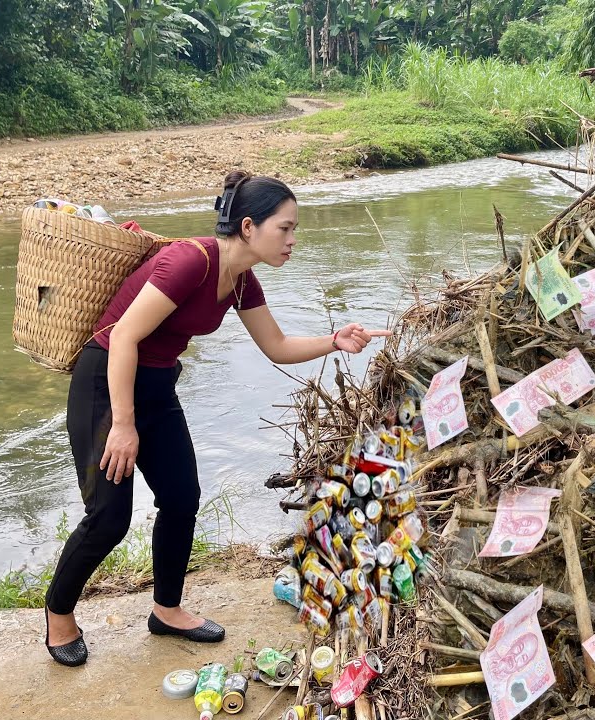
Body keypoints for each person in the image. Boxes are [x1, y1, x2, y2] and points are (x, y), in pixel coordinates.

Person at [42, 171, 391, 666]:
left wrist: (335, 341)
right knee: (109, 518)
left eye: (295, 230)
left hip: (158, 387)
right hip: (107, 385)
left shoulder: (242, 281)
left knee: (182, 499)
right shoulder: (191, 260)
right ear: (248, 227)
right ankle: (59, 615)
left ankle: (167, 609)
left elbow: (277, 346)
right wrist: (123, 425)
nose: (293, 240)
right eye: (285, 228)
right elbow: (123, 338)